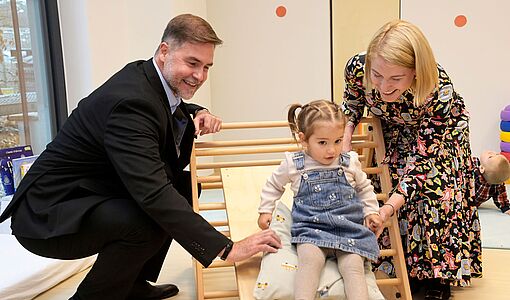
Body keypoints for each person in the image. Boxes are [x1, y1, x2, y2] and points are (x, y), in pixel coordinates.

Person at [0, 14, 281, 300]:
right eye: (192, 63)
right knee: (146, 220)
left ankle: (131, 284)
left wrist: (198, 111)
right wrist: (227, 249)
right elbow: (153, 192)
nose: (200, 75)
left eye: (207, 66)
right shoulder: (131, 104)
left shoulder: (146, 77)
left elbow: (166, 105)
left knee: (185, 190)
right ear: (164, 52)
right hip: (48, 211)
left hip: (88, 191)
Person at [341, 20, 481, 300]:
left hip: (440, 136)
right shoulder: (358, 68)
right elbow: (352, 107)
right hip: (393, 127)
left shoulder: (438, 88)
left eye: (395, 79)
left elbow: (422, 162)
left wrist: (389, 207)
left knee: (434, 189)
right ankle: (403, 265)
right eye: (377, 75)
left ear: (415, 73)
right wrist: (344, 149)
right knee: (384, 176)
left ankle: (435, 277)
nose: (382, 85)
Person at [257, 100, 382, 300]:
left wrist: (371, 212)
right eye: (323, 142)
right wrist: (266, 210)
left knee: (354, 267)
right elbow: (273, 185)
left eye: (338, 141)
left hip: (348, 228)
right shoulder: (295, 164)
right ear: (304, 139)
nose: (331, 150)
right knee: (309, 262)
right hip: (311, 229)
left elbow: (365, 188)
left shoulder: (349, 162)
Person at [471, 150, 510, 214]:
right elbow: (501, 196)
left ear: (482, 168)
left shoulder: (473, 169)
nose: (492, 152)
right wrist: (505, 207)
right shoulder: (497, 185)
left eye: (490, 157)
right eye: (497, 154)